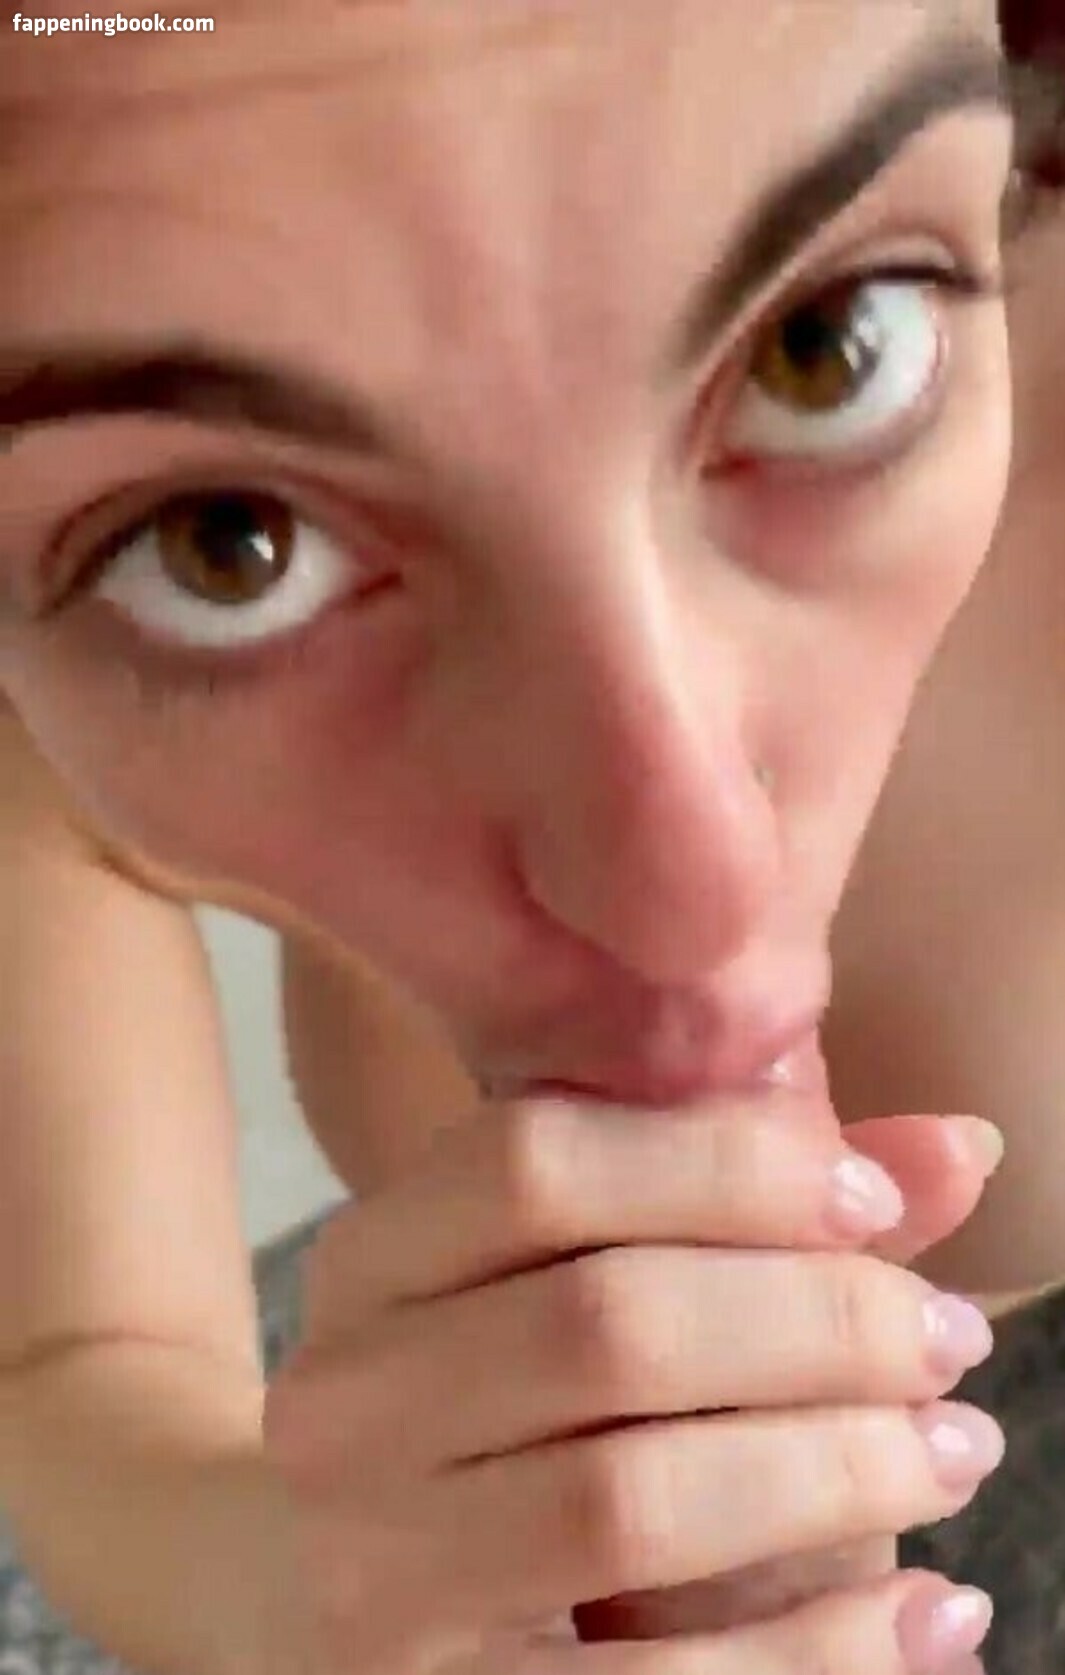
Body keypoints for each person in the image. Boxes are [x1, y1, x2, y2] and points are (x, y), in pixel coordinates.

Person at [0, 1, 1059, 1672]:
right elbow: (78, 1372)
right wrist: (331, 1594)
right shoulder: (53, 716)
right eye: (228, 544)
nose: (685, 891)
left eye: (824, 345)